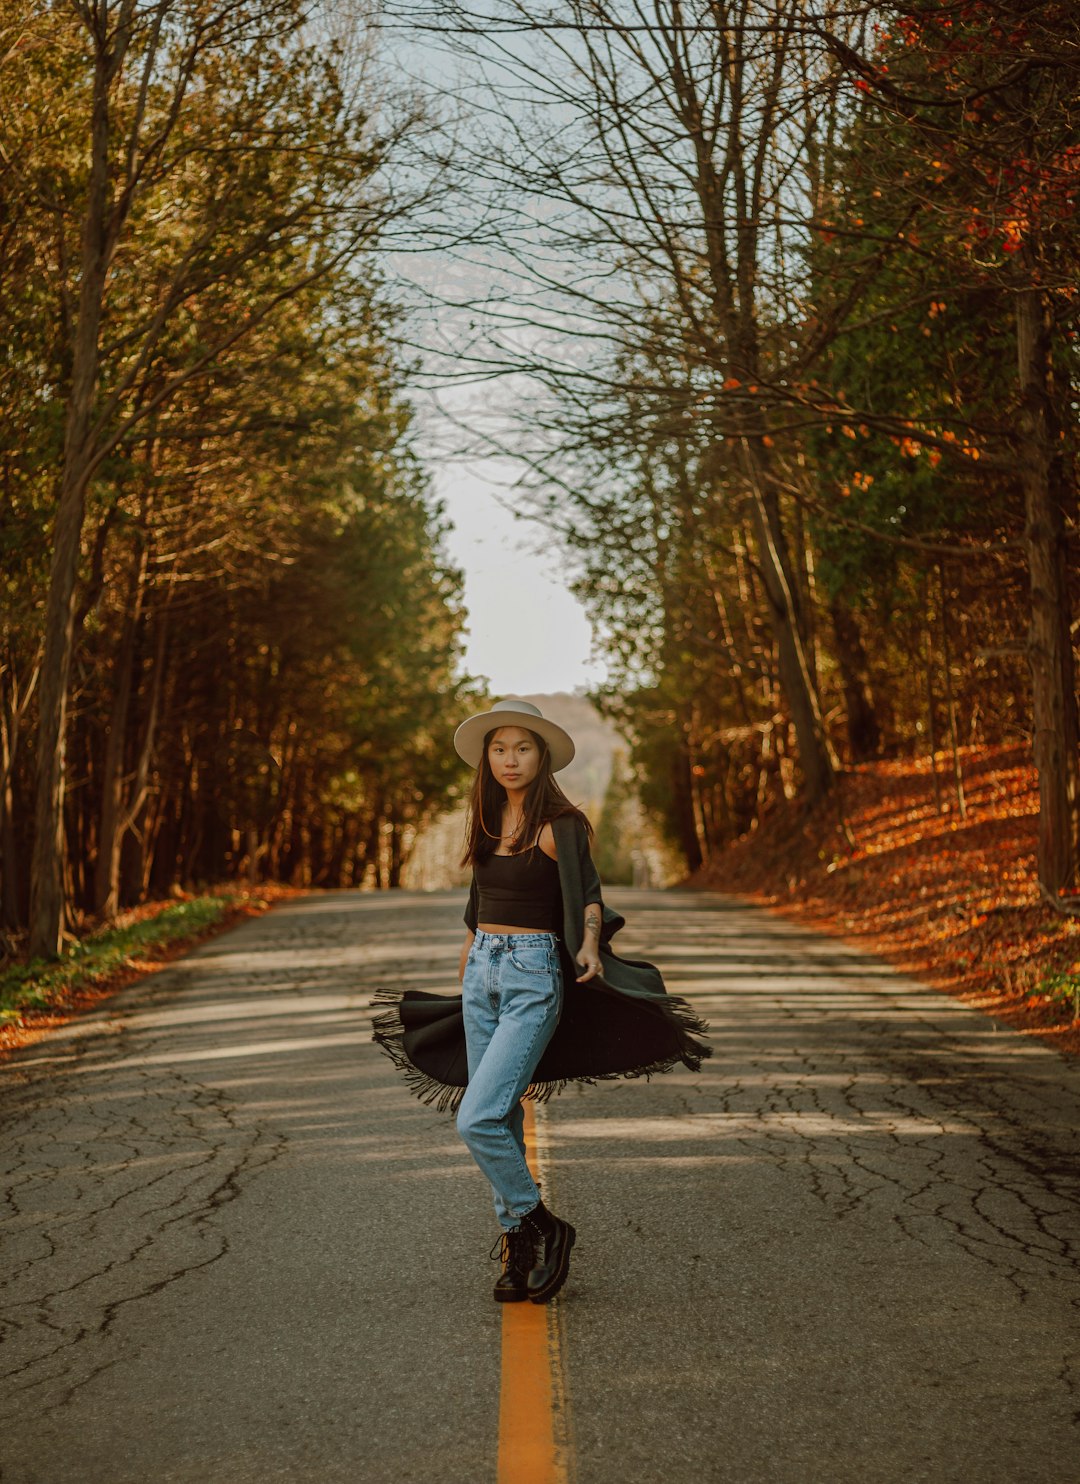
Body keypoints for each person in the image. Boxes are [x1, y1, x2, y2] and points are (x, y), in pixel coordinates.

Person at [369, 697, 712, 1307]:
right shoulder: (485, 818)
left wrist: (588, 948)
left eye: (522, 748)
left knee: (475, 1116)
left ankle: (542, 1223)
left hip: (533, 976)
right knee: (498, 1116)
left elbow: (589, 894)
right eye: (499, 749)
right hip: (482, 975)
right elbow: (477, 911)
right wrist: (467, 971)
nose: (510, 759)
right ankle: (518, 1248)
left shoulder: (563, 825)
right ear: (486, 758)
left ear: (542, 755)